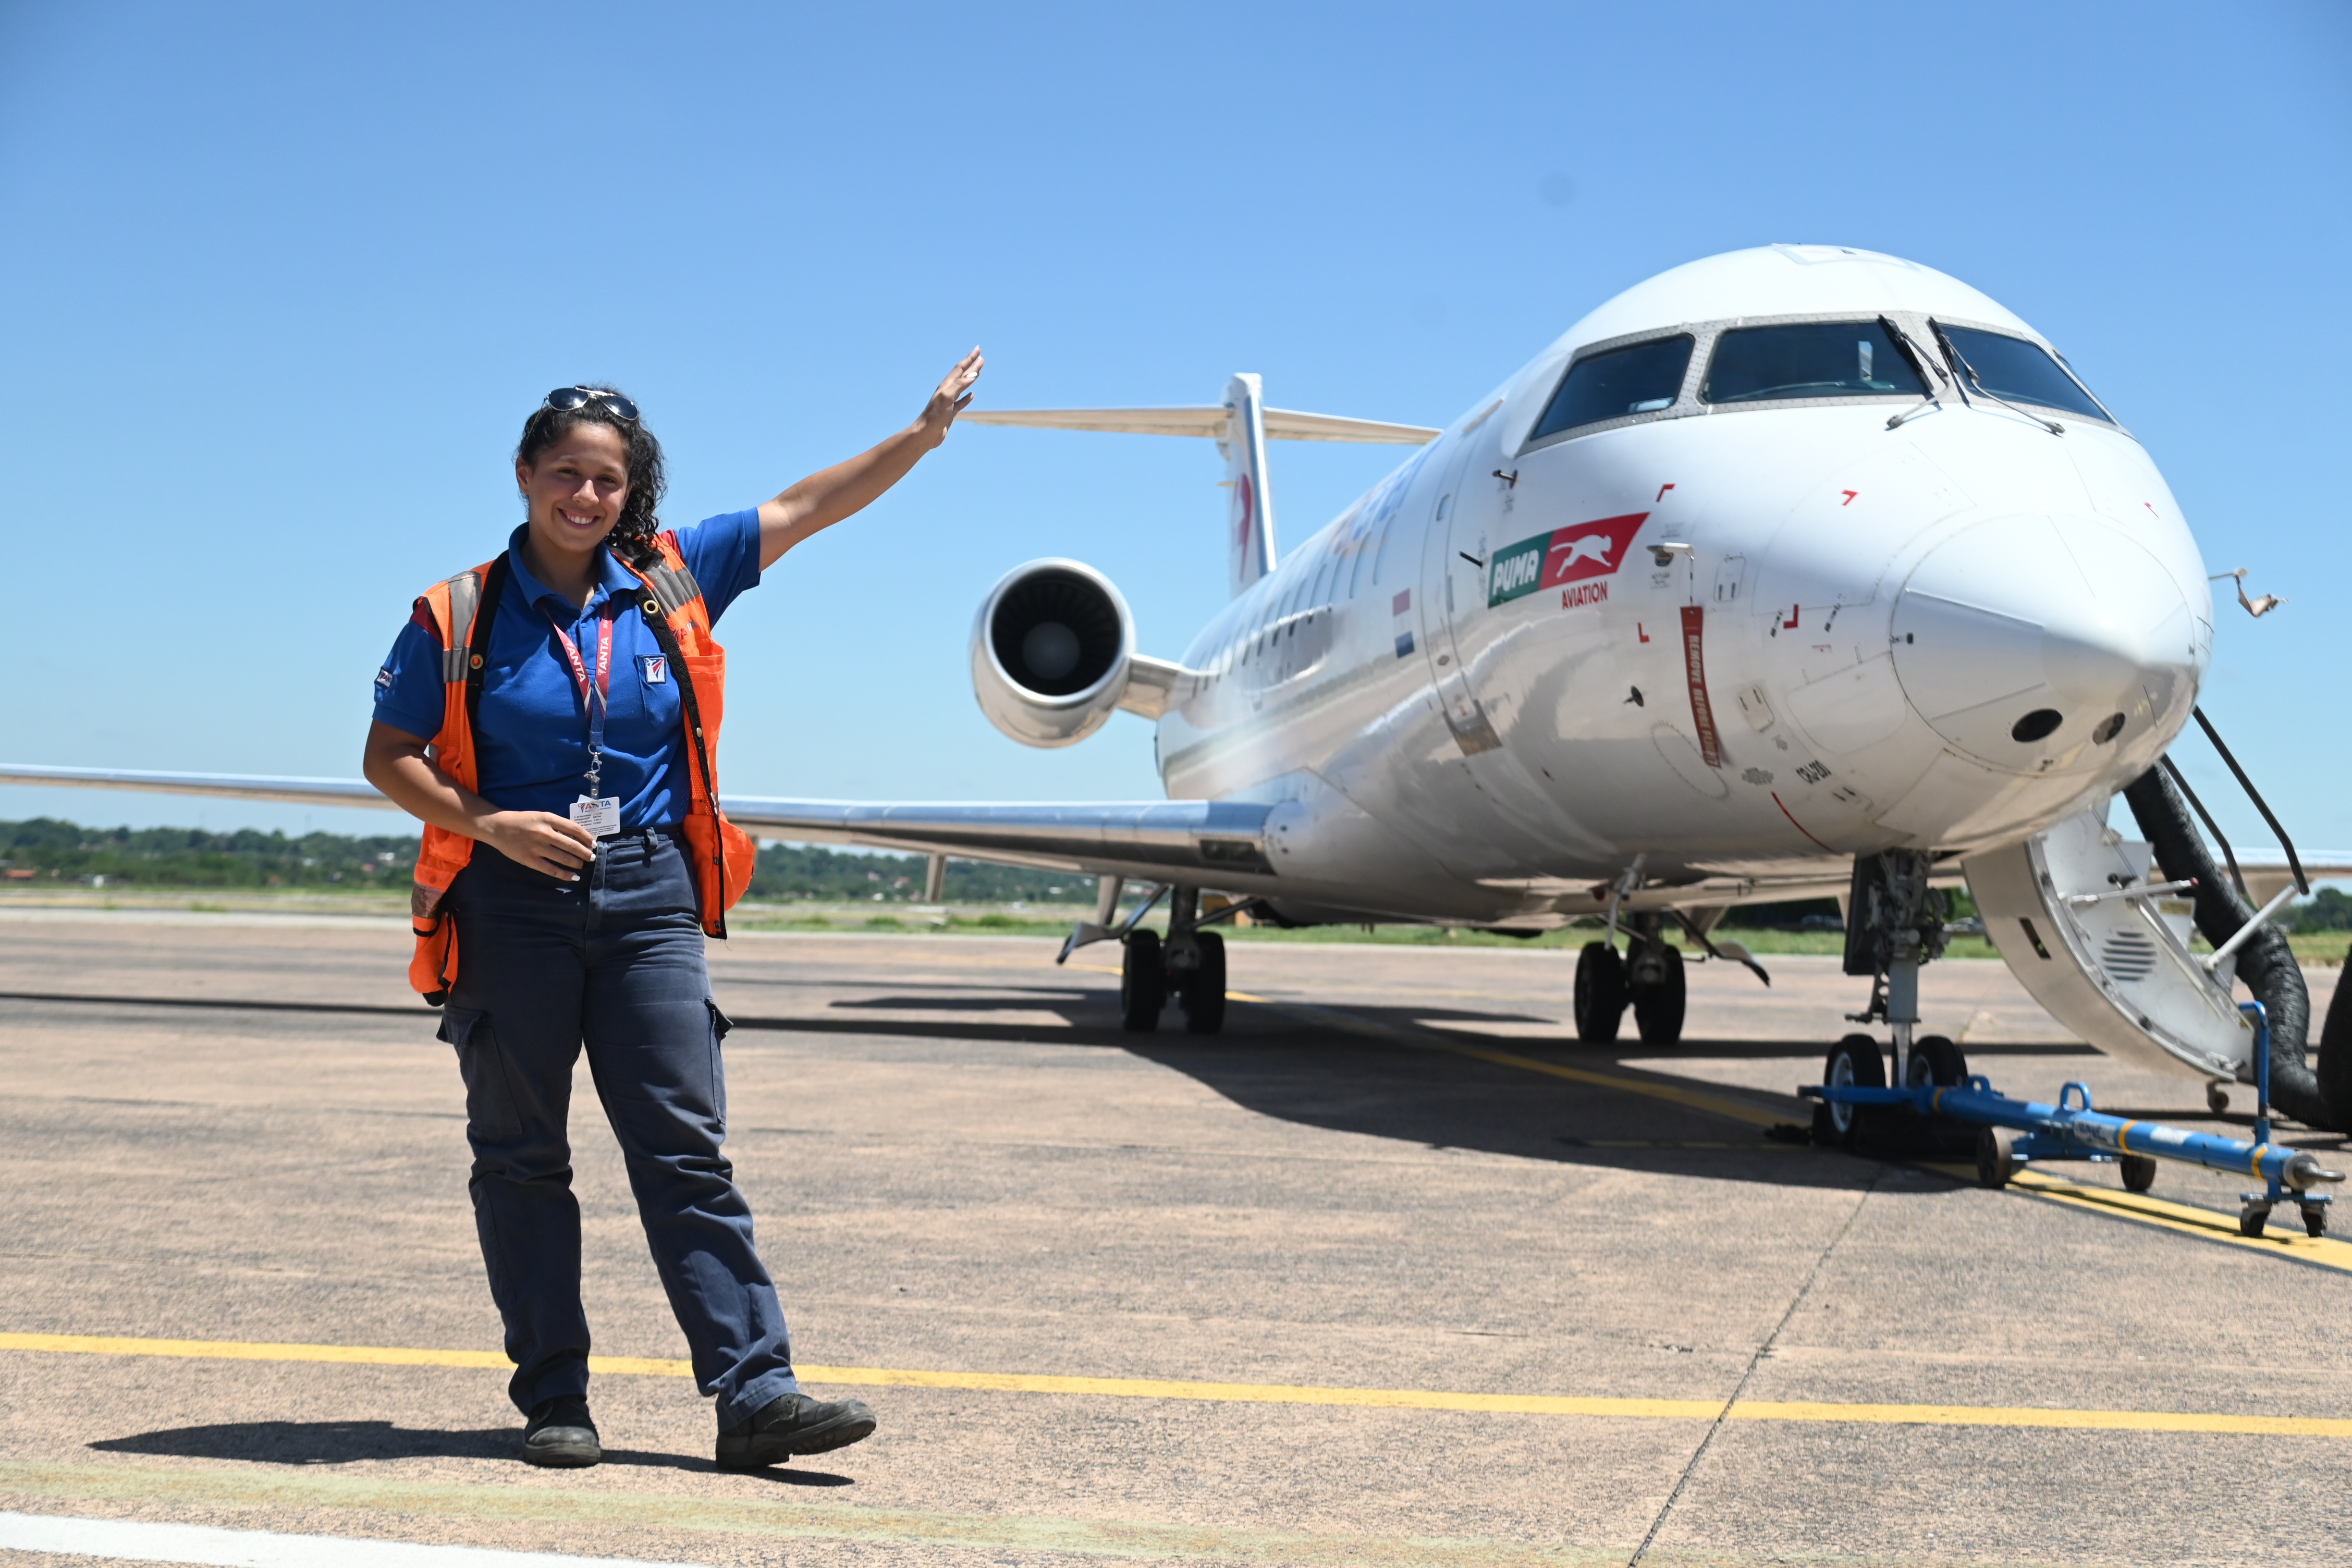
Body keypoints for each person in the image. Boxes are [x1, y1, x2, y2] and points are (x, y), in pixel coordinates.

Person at [361, 350, 984, 1469]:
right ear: (524, 475)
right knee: (522, 1155)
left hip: (649, 893)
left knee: (684, 1150)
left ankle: (756, 1395)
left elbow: (807, 506)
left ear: (626, 489)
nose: (585, 496)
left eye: (605, 480)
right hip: (512, 897)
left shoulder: (673, 573)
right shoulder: (457, 612)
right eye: (565, 474)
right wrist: (495, 823)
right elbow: (390, 757)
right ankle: (556, 1397)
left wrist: (920, 436)